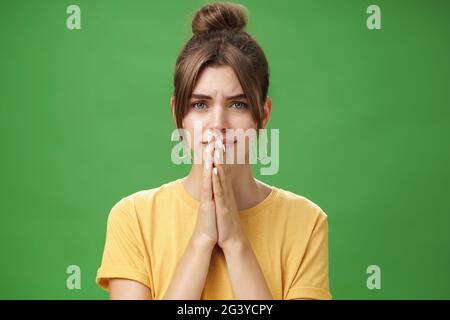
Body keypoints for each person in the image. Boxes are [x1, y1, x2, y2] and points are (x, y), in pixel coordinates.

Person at [96, 1, 331, 300]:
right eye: (200, 105)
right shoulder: (133, 218)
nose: (218, 124)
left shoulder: (306, 222)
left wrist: (235, 241)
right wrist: (202, 240)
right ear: (177, 115)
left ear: (264, 113)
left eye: (238, 104)